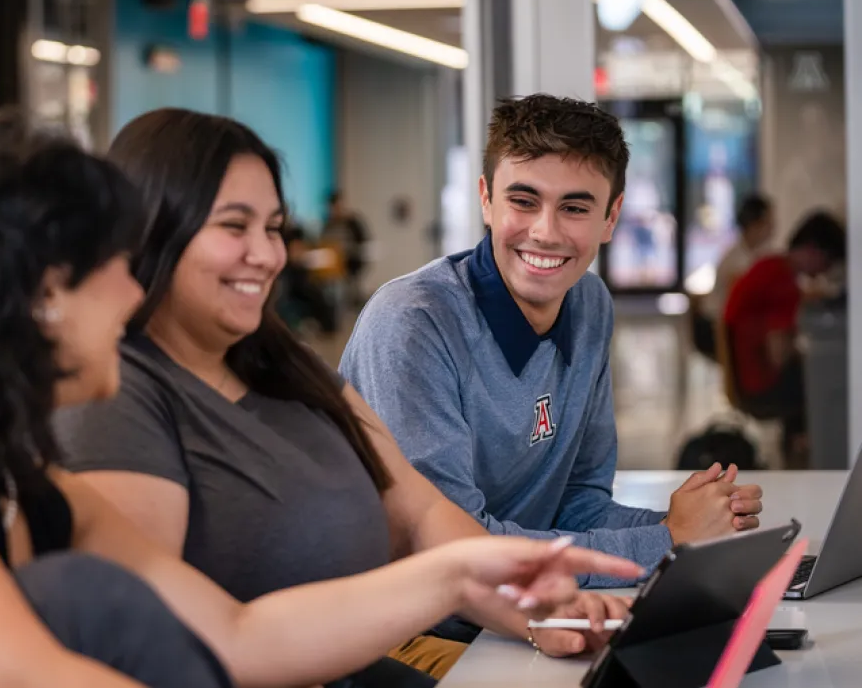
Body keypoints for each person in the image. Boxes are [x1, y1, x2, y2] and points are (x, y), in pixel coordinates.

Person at [0, 115, 639, 688]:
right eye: (117, 267)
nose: (134, 293)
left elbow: (232, 633)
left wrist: (458, 575)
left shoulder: (14, 468)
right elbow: (16, 673)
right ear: (39, 290)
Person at [52, 107, 640, 685]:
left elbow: (423, 513)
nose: (268, 254)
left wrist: (533, 605)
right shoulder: (120, 396)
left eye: (275, 228)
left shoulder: (285, 364)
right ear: (155, 229)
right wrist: (469, 584)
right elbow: (174, 641)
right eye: (235, 227)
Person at [339, 94, 764, 604]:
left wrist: (697, 528)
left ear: (611, 217)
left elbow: (577, 505)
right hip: (405, 628)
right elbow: (452, 553)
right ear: (486, 200)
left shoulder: (589, 303)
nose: (545, 232)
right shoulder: (413, 323)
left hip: (515, 608)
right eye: (522, 201)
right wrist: (665, 541)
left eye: (575, 208)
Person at [723, 210, 846, 467]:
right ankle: (812, 459)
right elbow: (778, 355)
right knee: (826, 382)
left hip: (746, 376)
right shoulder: (783, 282)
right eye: (827, 263)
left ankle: (800, 451)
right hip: (760, 384)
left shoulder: (772, 266)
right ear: (814, 251)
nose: (823, 272)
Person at [692, 195, 775, 359]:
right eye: (770, 222)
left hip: (731, 324)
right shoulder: (736, 261)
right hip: (718, 329)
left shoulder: (756, 254)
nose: (773, 228)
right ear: (755, 224)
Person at [322, 191, 371, 306]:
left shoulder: (353, 222)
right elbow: (324, 243)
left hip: (351, 264)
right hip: (332, 268)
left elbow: (363, 242)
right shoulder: (328, 224)